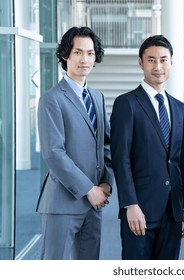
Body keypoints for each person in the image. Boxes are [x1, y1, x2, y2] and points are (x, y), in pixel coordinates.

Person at [110, 35, 184, 260]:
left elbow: (181, 161)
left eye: (164, 60)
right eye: (151, 60)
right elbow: (121, 159)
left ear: (172, 63)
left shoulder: (178, 107)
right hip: (139, 209)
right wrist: (130, 204)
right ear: (141, 63)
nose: (158, 67)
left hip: (172, 211)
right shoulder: (126, 103)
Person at [37, 26, 114, 260]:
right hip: (63, 203)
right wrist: (88, 189)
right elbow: (54, 153)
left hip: (95, 204)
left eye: (90, 53)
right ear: (65, 55)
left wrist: (106, 184)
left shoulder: (97, 97)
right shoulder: (51, 99)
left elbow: (106, 145)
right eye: (78, 52)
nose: (85, 59)